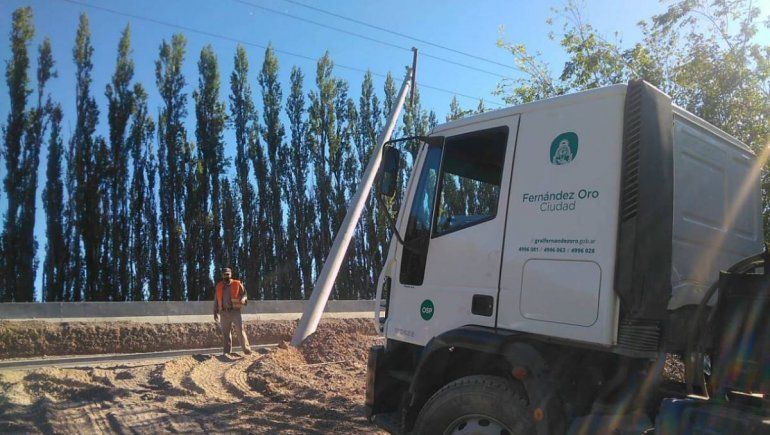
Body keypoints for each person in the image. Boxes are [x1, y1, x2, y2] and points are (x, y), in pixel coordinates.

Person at [213, 267, 252, 356]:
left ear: (231, 274)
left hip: (235, 312)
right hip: (223, 313)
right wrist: (215, 312)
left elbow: (245, 294)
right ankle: (226, 352)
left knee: (240, 330)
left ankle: (246, 350)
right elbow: (216, 300)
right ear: (222, 275)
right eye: (224, 274)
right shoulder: (219, 286)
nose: (226, 276)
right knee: (226, 333)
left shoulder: (237, 283)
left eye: (228, 274)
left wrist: (243, 299)